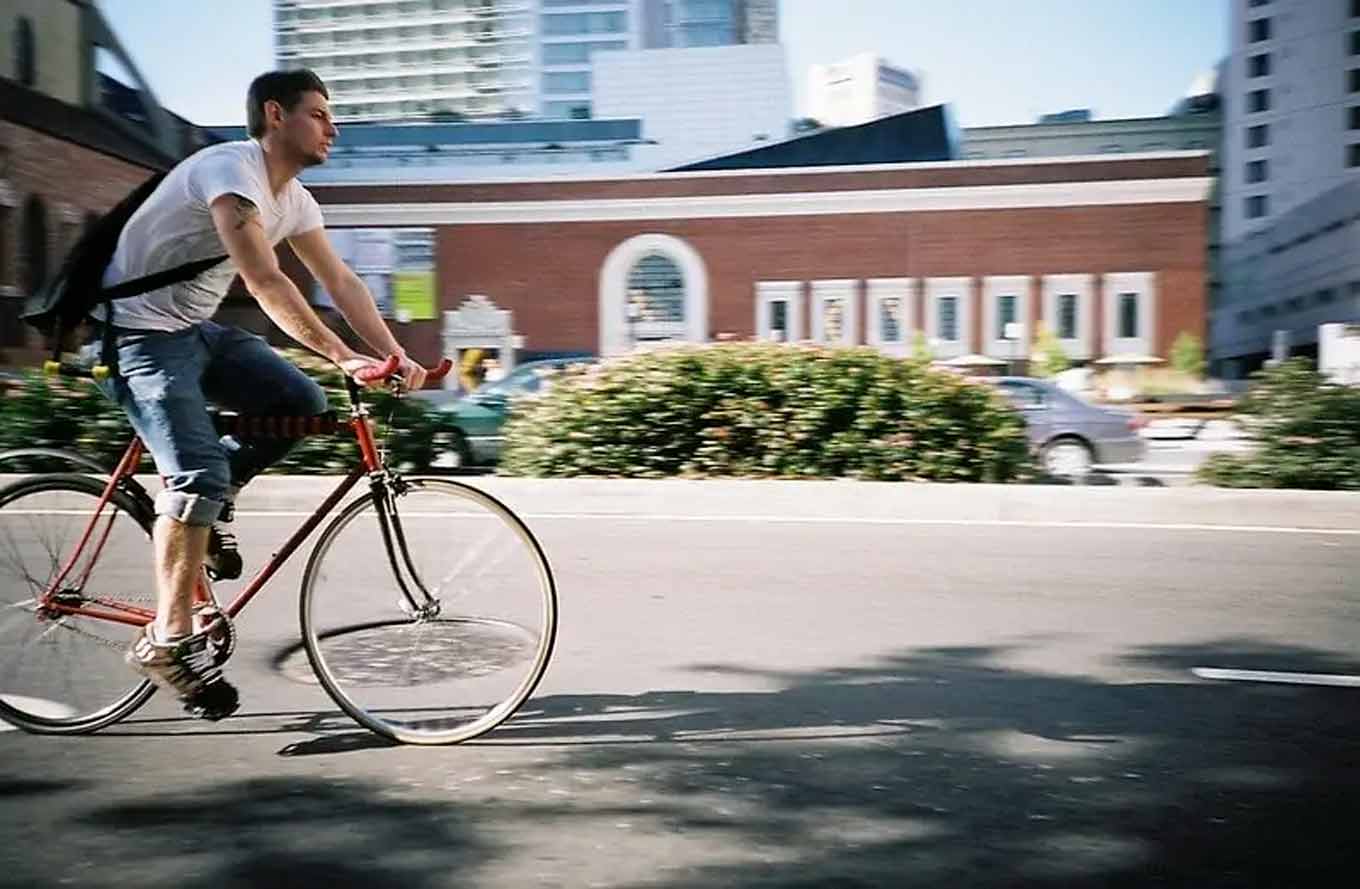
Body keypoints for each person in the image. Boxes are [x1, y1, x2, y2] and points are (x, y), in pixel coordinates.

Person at [89, 69, 429, 720]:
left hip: (193, 330)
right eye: (320, 114)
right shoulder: (230, 172)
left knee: (301, 406)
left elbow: (344, 283)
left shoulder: (295, 200)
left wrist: (395, 353)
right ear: (276, 115)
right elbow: (266, 281)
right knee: (195, 472)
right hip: (134, 338)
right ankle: (166, 638)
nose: (334, 127)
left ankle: (212, 507)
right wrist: (342, 355)